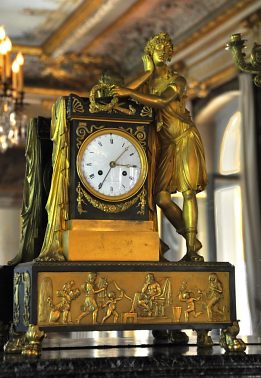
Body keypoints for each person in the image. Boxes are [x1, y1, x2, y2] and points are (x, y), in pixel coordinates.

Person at [112, 32, 207, 261]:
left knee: (188, 192)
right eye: (158, 48)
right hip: (166, 142)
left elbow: (162, 100)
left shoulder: (178, 80)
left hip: (185, 136)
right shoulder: (147, 81)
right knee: (161, 198)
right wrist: (146, 72)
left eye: (167, 48)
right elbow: (127, 95)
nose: (163, 51)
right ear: (150, 52)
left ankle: (192, 250)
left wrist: (130, 92)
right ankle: (191, 238)